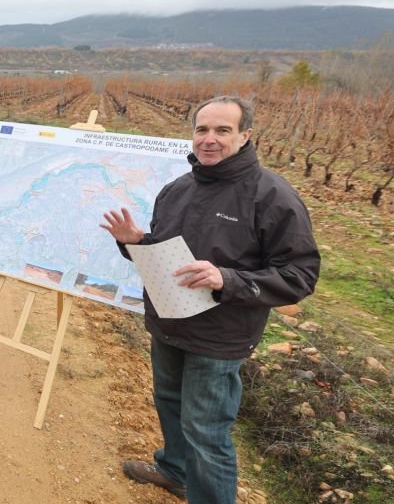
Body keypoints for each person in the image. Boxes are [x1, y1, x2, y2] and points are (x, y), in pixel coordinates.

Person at [100, 95, 319, 503]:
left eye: (222, 130)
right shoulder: (177, 190)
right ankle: (176, 472)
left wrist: (227, 279)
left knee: (206, 431)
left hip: (220, 336)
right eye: (202, 130)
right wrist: (135, 243)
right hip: (168, 322)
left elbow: (299, 276)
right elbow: (166, 256)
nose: (209, 139)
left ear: (245, 136)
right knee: (169, 403)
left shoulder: (272, 196)